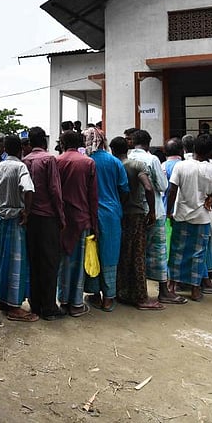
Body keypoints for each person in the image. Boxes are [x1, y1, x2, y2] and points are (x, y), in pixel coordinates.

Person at [166, 134, 212, 302]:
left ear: (193, 149)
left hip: (181, 214)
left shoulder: (181, 166)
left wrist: (169, 211)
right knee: (198, 255)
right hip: (202, 217)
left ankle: (172, 285)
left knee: (177, 252)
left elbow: (172, 190)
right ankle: (195, 289)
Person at [128, 130, 184, 305]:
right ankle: (163, 291)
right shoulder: (151, 159)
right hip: (155, 211)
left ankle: (137, 290)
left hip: (134, 211)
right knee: (158, 251)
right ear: (148, 142)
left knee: (137, 252)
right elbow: (162, 185)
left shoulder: (126, 159)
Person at [22, 126, 68, 320]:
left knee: (33, 260)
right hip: (47, 216)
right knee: (49, 262)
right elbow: (55, 190)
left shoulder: (25, 161)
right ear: (45, 141)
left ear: (31, 143)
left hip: (29, 217)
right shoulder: (49, 159)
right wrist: (61, 216)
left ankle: (35, 303)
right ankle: (49, 307)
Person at [112, 136, 164, 310]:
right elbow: (149, 188)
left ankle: (121, 292)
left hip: (117, 215)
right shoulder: (135, 165)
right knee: (138, 255)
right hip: (136, 214)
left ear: (112, 150)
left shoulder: (113, 166)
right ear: (127, 149)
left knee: (123, 255)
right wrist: (152, 210)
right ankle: (141, 297)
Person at [0, 134, 37, 322]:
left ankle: (3, 300)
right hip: (16, 219)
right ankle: (14, 306)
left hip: (1, 217)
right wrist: (27, 211)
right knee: (17, 262)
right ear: (19, 149)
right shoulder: (20, 167)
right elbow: (28, 189)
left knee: (2, 260)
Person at [84, 128, 129, 312]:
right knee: (110, 255)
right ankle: (108, 298)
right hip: (111, 214)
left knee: (92, 251)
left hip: (89, 213)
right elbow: (124, 188)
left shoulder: (87, 162)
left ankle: (94, 293)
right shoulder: (114, 161)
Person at [55, 130, 98, 317]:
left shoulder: (56, 161)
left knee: (63, 261)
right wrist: (94, 223)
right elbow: (93, 196)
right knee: (79, 262)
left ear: (62, 143)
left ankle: (63, 300)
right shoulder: (88, 162)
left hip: (61, 219)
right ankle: (76, 303)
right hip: (82, 217)